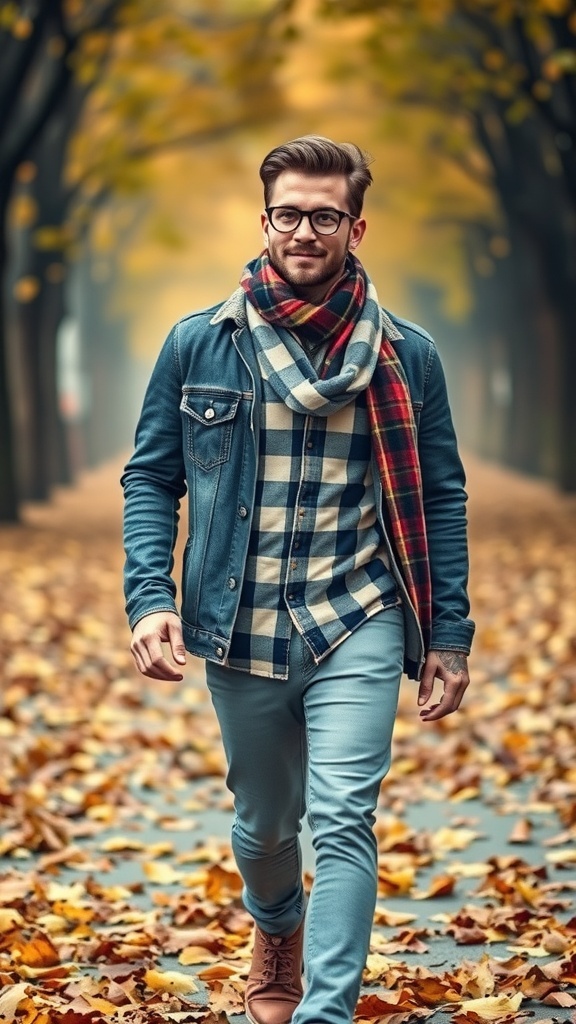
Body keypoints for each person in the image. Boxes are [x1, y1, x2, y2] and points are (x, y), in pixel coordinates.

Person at [122, 135, 474, 1024]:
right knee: (266, 827)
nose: (304, 231)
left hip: (360, 615)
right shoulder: (200, 344)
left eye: (324, 215)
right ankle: (275, 922)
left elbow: (441, 498)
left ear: (356, 227)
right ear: (265, 220)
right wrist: (150, 598)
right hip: (239, 622)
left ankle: (325, 1013)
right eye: (289, 214)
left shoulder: (408, 356)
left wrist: (450, 635)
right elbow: (151, 479)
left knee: (344, 819)